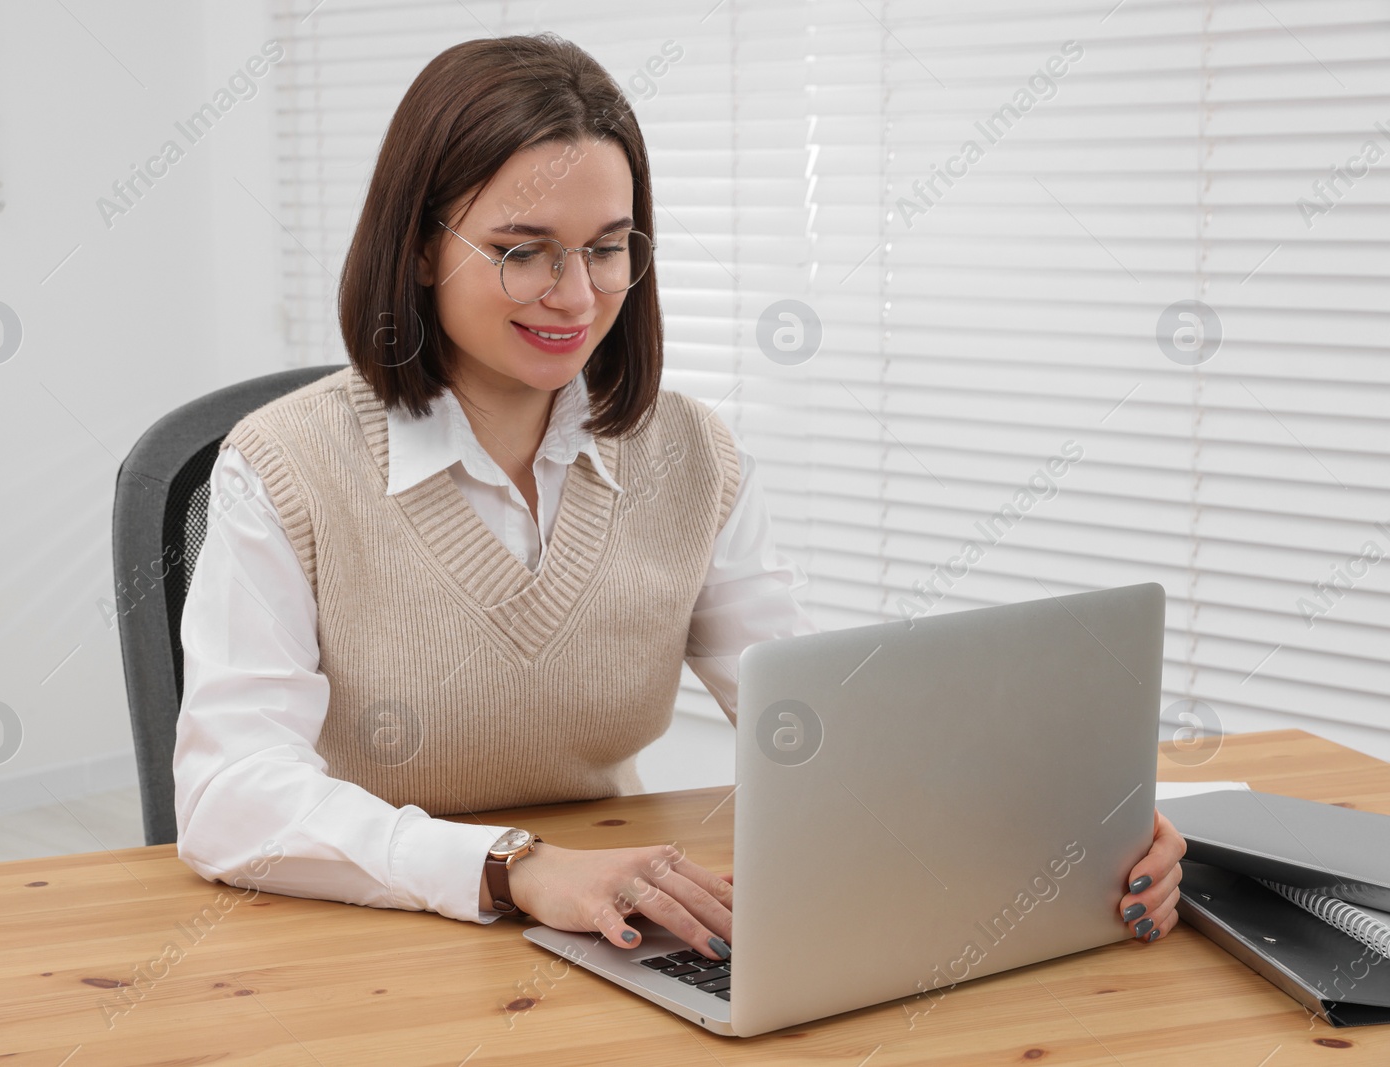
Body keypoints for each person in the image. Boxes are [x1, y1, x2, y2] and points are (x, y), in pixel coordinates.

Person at [172, 32, 1188, 970]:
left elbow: (817, 722)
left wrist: (1078, 820)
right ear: (421, 245)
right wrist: (514, 864)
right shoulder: (285, 464)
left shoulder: (692, 454)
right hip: (356, 930)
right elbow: (226, 797)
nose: (575, 296)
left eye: (608, 246)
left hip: (601, 926)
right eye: (523, 249)